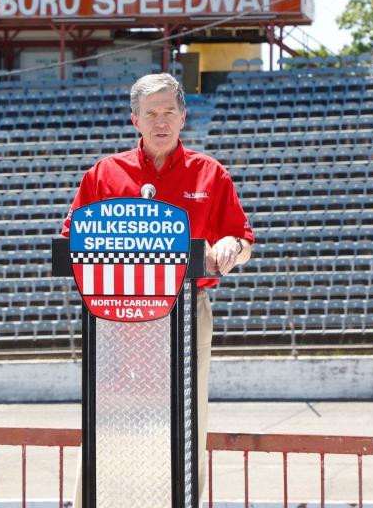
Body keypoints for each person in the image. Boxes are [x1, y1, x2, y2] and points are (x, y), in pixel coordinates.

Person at [62, 72, 254, 507]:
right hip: (115, 318)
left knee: (187, 422)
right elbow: (72, 240)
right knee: (104, 419)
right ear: (135, 119)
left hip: (186, 311)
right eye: (151, 113)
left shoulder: (211, 174)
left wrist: (231, 246)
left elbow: (242, 243)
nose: (161, 120)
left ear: (184, 116)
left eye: (169, 111)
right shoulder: (103, 175)